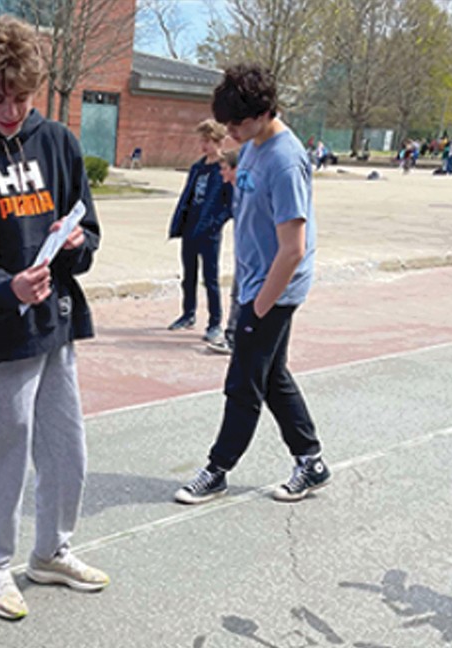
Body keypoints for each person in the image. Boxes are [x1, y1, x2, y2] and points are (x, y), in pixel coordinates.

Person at [0, 15, 108, 621]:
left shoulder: (58, 142)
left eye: (21, 97)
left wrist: (75, 245)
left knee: (67, 451)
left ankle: (52, 551)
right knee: (2, 455)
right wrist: (9, 287)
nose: (10, 110)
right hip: (0, 334)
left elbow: (90, 234)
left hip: (56, 326)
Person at [174, 63, 331, 506]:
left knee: (243, 381)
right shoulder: (254, 146)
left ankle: (217, 469)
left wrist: (260, 305)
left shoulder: (284, 159)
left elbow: (293, 247)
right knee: (273, 374)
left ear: (263, 112)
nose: (231, 131)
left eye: (237, 123)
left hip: (274, 290)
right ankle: (311, 460)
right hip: (253, 285)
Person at [167, 119, 232, 343]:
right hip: (190, 228)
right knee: (189, 275)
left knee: (210, 278)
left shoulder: (224, 168)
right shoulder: (197, 167)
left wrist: (216, 222)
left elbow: (231, 205)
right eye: (202, 141)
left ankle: (215, 322)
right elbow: (188, 195)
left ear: (220, 141)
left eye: (208, 141)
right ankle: (188, 314)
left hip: (209, 231)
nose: (204, 146)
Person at [207, 149, 239, 355]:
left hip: (256, 258)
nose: (221, 173)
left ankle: (234, 338)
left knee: (241, 296)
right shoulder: (239, 191)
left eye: (225, 169)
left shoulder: (246, 192)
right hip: (244, 254)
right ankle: (232, 336)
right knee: (237, 294)